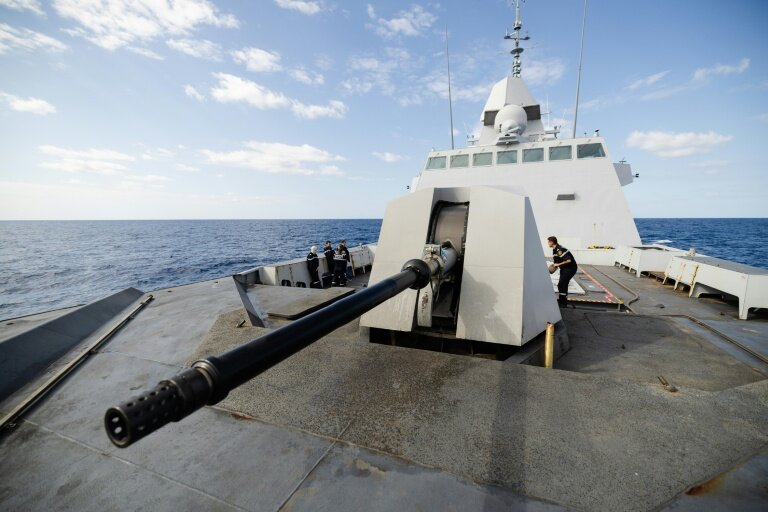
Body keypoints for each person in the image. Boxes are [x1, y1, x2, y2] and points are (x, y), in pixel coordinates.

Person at [547, 236, 577, 307]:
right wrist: (553, 267)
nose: (548, 243)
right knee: (562, 284)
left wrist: (558, 264)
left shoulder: (559, 249)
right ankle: (562, 301)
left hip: (570, 268)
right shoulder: (554, 250)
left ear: (551, 242)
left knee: (562, 284)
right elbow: (556, 263)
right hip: (564, 269)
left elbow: (568, 260)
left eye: (548, 242)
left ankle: (562, 303)